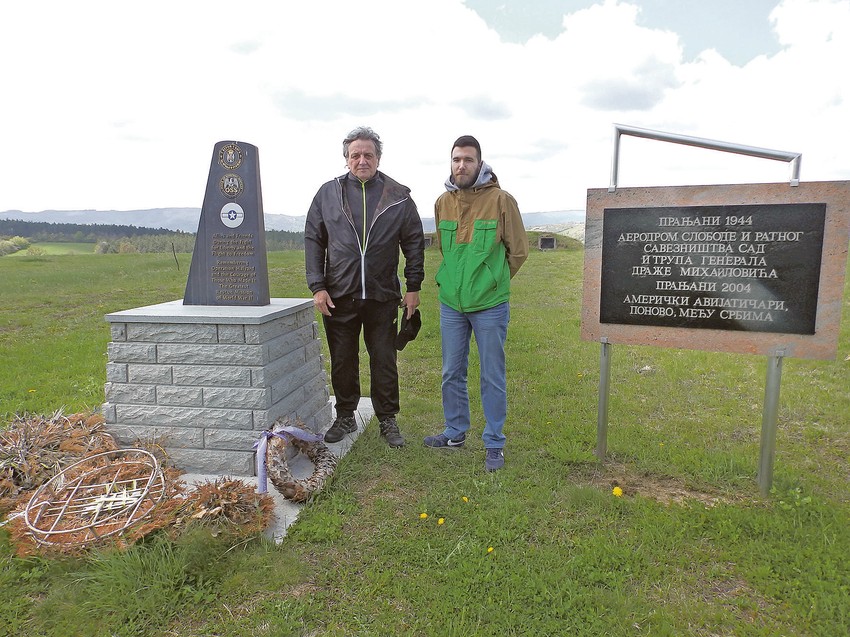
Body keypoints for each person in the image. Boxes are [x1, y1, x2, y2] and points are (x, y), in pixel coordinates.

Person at [305, 126, 425, 448]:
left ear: (378, 158)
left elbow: (414, 242)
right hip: (338, 295)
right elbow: (314, 240)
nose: (362, 160)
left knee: (384, 358)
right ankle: (345, 414)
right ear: (346, 159)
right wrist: (318, 286)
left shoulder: (398, 196)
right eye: (355, 155)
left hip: (382, 295)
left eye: (368, 154)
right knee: (343, 358)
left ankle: (387, 419)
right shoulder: (327, 194)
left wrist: (413, 286)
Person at [423, 135, 528, 471]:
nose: (461, 165)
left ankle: (494, 442)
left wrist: (492, 280)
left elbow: (519, 251)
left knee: (491, 375)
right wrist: (455, 281)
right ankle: (455, 432)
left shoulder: (501, 200)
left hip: (490, 305)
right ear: (450, 163)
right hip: (452, 303)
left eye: (468, 159)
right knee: (451, 371)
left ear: (480, 163)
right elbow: (446, 249)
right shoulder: (442, 202)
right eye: (456, 160)